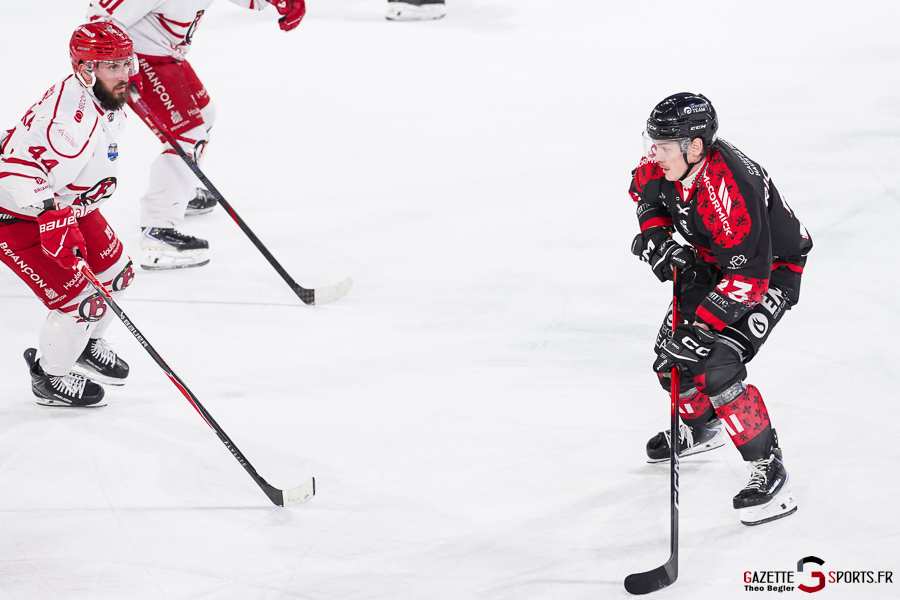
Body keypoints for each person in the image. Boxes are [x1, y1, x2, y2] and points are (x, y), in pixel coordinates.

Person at [628, 92, 813, 526]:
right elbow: (644, 193)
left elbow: (748, 279)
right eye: (652, 143)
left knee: (715, 363)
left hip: (767, 270)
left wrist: (702, 330)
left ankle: (769, 467)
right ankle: (703, 427)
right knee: (668, 362)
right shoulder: (672, 160)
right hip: (715, 263)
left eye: (663, 146)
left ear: (695, 146)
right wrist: (658, 240)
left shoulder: (730, 189)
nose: (654, 154)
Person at [86, 0, 306, 270]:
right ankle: (158, 230)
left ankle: (179, 189)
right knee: (188, 135)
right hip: (140, 60)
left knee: (205, 115)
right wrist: (119, 66)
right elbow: (99, 19)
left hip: (167, 56)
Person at [0, 22, 137, 407]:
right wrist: (50, 217)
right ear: (85, 69)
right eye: (112, 66)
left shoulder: (98, 93)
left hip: (70, 204)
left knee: (118, 275)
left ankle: (85, 345)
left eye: (126, 62)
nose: (124, 74)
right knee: (81, 304)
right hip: (15, 218)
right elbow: (14, 168)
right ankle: (50, 377)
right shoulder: (68, 126)